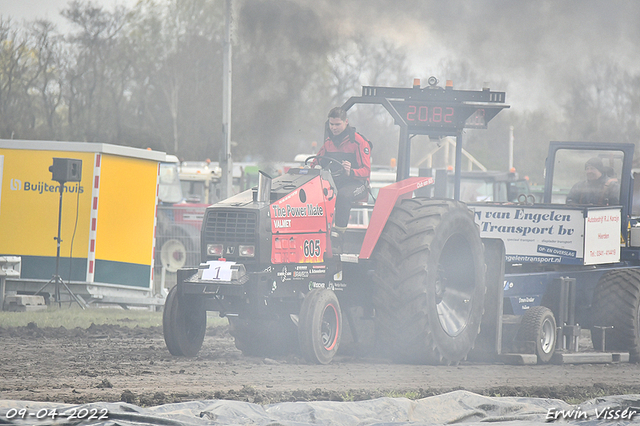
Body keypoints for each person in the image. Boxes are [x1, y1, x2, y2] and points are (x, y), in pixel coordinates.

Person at [311, 107, 372, 254]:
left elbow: (366, 171)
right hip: (336, 182)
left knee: (343, 196)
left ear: (346, 122)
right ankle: (316, 232)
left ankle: (338, 235)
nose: (334, 128)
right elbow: (315, 161)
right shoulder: (328, 142)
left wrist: (351, 171)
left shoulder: (358, 142)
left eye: (337, 124)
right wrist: (313, 168)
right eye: (331, 124)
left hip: (358, 184)